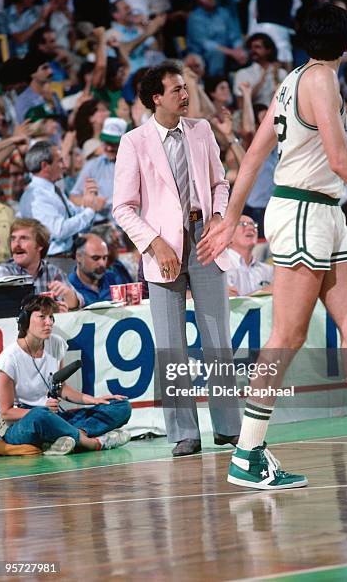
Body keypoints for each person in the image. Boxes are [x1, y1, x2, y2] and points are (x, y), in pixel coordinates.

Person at [197, 4, 347, 488]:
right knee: (287, 336)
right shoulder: (322, 81)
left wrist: (231, 218)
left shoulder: (292, 81)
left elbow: (252, 155)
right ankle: (247, 451)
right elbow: (341, 161)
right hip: (304, 210)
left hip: (322, 213)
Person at [113, 60, 241, 456]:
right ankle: (184, 432)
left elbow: (221, 183)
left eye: (185, 88)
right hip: (162, 251)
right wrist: (155, 243)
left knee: (218, 340)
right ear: (156, 99)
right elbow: (122, 207)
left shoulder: (202, 130)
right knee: (172, 347)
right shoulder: (134, 142)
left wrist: (219, 217)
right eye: (177, 91)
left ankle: (229, 427)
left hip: (205, 242)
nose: (186, 96)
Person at [0, 295, 131, 455]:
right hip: (23, 424)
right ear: (25, 320)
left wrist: (94, 400)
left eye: (51, 317)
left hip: (55, 417)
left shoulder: (56, 343)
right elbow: (6, 413)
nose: (49, 323)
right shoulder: (9, 358)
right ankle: (90, 443)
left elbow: (61, 388)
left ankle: (72, 435)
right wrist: (41, 410)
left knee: (121, 406)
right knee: (40, 416)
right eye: (42, 317)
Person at [19, 141, 101, 259]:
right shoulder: (37, 196)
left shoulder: (53, 190)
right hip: (53, 262)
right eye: (60, 161)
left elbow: (75, 219)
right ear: (45, 166)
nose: (65, 166)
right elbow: (59, 231)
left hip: (66, 259)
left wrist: (88, 204)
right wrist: (89, 211)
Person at [0, 218, 83, 311]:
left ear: (39, 245)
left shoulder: (53, 271)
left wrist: (70, 296)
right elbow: (12, 310)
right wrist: (52, 309)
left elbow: (79, 302)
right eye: (13, 239)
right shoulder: (4, 271)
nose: (16, 244)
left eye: (23, 238)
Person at [69, 117, 127, 224]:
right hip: (101, 225)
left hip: (129, 224)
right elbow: (73, 197)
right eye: (106, 143)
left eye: (114, 144)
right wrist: (89, 202)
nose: (109, 148)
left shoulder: (134, 164)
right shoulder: (93, 165)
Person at [227, 215, 273, 296]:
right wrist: (266, 291)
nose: (251, 228)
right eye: (243, 224)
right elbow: (230, 302)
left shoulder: (268, 271)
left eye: (253, 225)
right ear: (228, 236)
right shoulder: (221, 267)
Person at [68, 234, 117, 306]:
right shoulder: (69, 287)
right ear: (79, 257)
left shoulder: (114, 279)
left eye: (105, 258)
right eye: (95, 258)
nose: (102, 263)